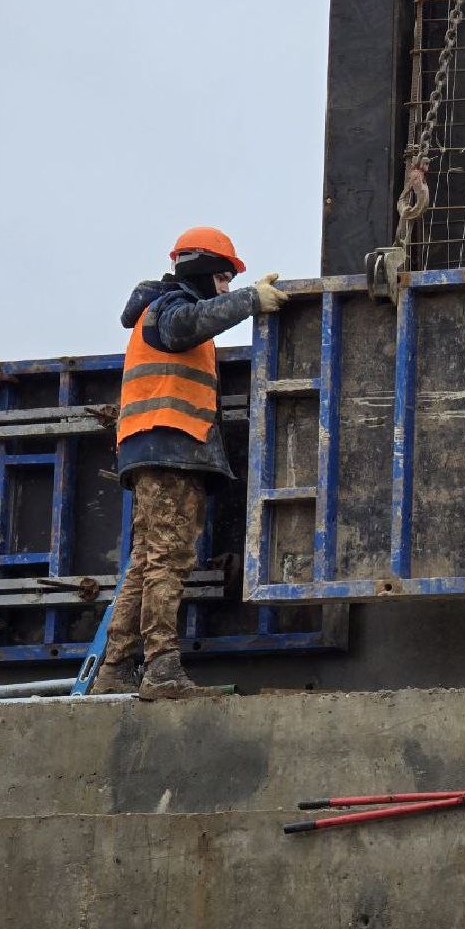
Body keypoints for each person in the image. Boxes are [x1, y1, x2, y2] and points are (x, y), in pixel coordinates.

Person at [91, 227, 288, 698]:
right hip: (169, 450)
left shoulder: (159, 311)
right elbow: (191, 323)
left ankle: (115, 669)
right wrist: (249, 300)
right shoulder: (167, 311)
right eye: (221, 276)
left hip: (157, 450)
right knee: (169, 558)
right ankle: (161, 669)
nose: (224, 285)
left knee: (145, 561)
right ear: (200, 269)